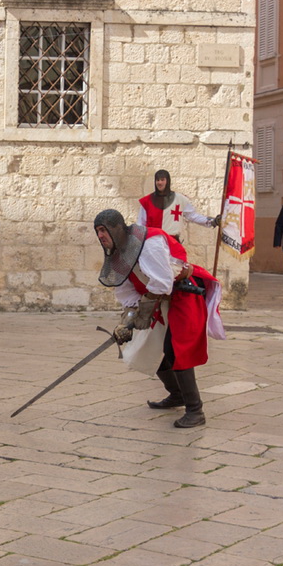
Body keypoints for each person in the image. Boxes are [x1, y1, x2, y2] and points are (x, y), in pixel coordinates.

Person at [94, 209, 225, 428]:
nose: (100, 236)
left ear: (116, 228)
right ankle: (177, 395)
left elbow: (163, 282)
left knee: (177, 349)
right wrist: (127, 322)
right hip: (159, 300)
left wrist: (143, 312)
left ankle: (195, 410)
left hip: (183, 295)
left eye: (102, 230)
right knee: (152, 347)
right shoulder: (117, 255)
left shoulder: (149, 242)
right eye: (97, 231)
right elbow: (128, 293)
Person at [137, 169, 218, 242]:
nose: (160, 182)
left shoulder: (180, 199)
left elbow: (193, 216)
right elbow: (140, 224)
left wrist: (212, 221)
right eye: (157, 180)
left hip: (172, 243)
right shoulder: (147, 201)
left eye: (162, 180)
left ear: (167, 181)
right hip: (153, 244)